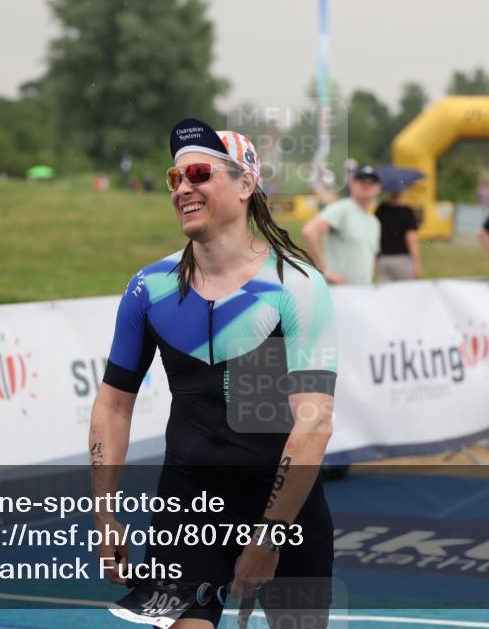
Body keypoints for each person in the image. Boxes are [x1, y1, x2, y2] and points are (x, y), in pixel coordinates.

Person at [90, 117, 337, 628]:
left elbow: (313, 423)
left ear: (246, 185)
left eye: (199, 173)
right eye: (174, 178)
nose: (184, 188)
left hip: (283, 506)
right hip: (189, 504)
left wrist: (269, 537)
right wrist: (104, 513)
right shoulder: (149, 289)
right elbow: (114, 403)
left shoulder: (297, 285)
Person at [301, 166, 381, 285]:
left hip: (363, 292)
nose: (367, 184)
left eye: (372, 181)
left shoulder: (374, 221)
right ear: (352, 183)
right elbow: (309, 231)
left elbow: (371, 256)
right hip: (338, 292)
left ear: (379, 188)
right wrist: (325, 271)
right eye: (362, 180)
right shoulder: (342, 209)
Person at [374, 185, 421, 282]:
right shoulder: (407, 212)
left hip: (383, 259)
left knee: (384, 294)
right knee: (404, 293)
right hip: (402, 259)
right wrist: (417, 264)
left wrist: (374, 259)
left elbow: (374, 236)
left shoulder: (380, 210)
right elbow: (411, 240)